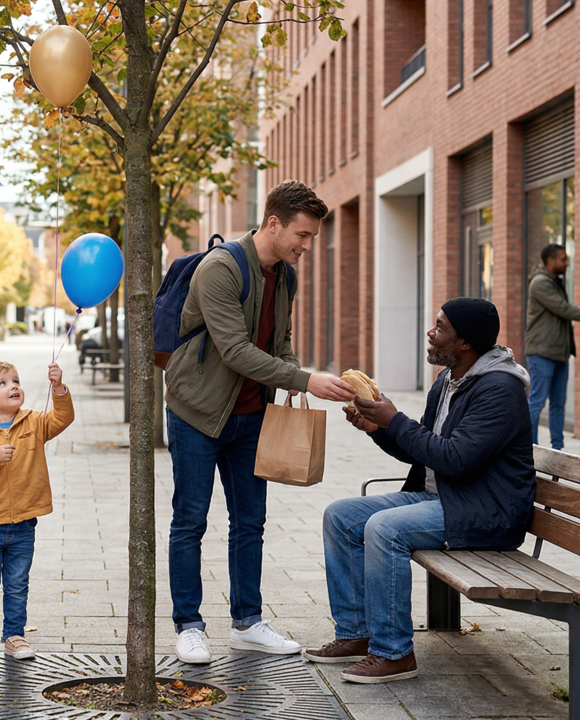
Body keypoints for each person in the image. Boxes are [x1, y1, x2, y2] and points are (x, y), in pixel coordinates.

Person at [163, 180, 358, 665]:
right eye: (302, 235)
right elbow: (234, 350)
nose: (307, 246)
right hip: (198, 412)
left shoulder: (285, 275)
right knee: (190, 520)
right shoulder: (221, 268)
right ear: (273, 223)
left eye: (312, 237)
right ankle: (188, 626)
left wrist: (291, 373)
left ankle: (247, 623)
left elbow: (279, 340)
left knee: (250, 522)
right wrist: (305, 379)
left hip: (252, 416)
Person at [305, 298, 535, 684]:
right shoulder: (447, 382)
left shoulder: (499, 389)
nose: (431, 332)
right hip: (444, 499)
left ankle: (394, 653)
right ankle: (357, 634)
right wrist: (377, 427)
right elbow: (421, 447)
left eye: (441, 328)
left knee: (384, 528)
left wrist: (394, 420)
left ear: (465, 343)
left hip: (486, 512)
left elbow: (456, 459)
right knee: (341, 516)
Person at [0, 361, 74, 661]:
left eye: (16, 381)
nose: (13, 386)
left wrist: (58, 388)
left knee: (17, 584)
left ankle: (14, 634)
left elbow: (63, 418)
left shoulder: (33, 422)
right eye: (3, 383)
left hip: (24, 523)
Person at [526, 244, 580, 450]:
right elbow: (563, 309)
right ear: (551, 261)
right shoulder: (540, 283)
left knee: (558, 405)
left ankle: (557, 450)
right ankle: (530, 450)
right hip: (542, 353)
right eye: (563, 259)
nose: (567, 263)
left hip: (559, 353)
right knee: (537, 403)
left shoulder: (554, 282)